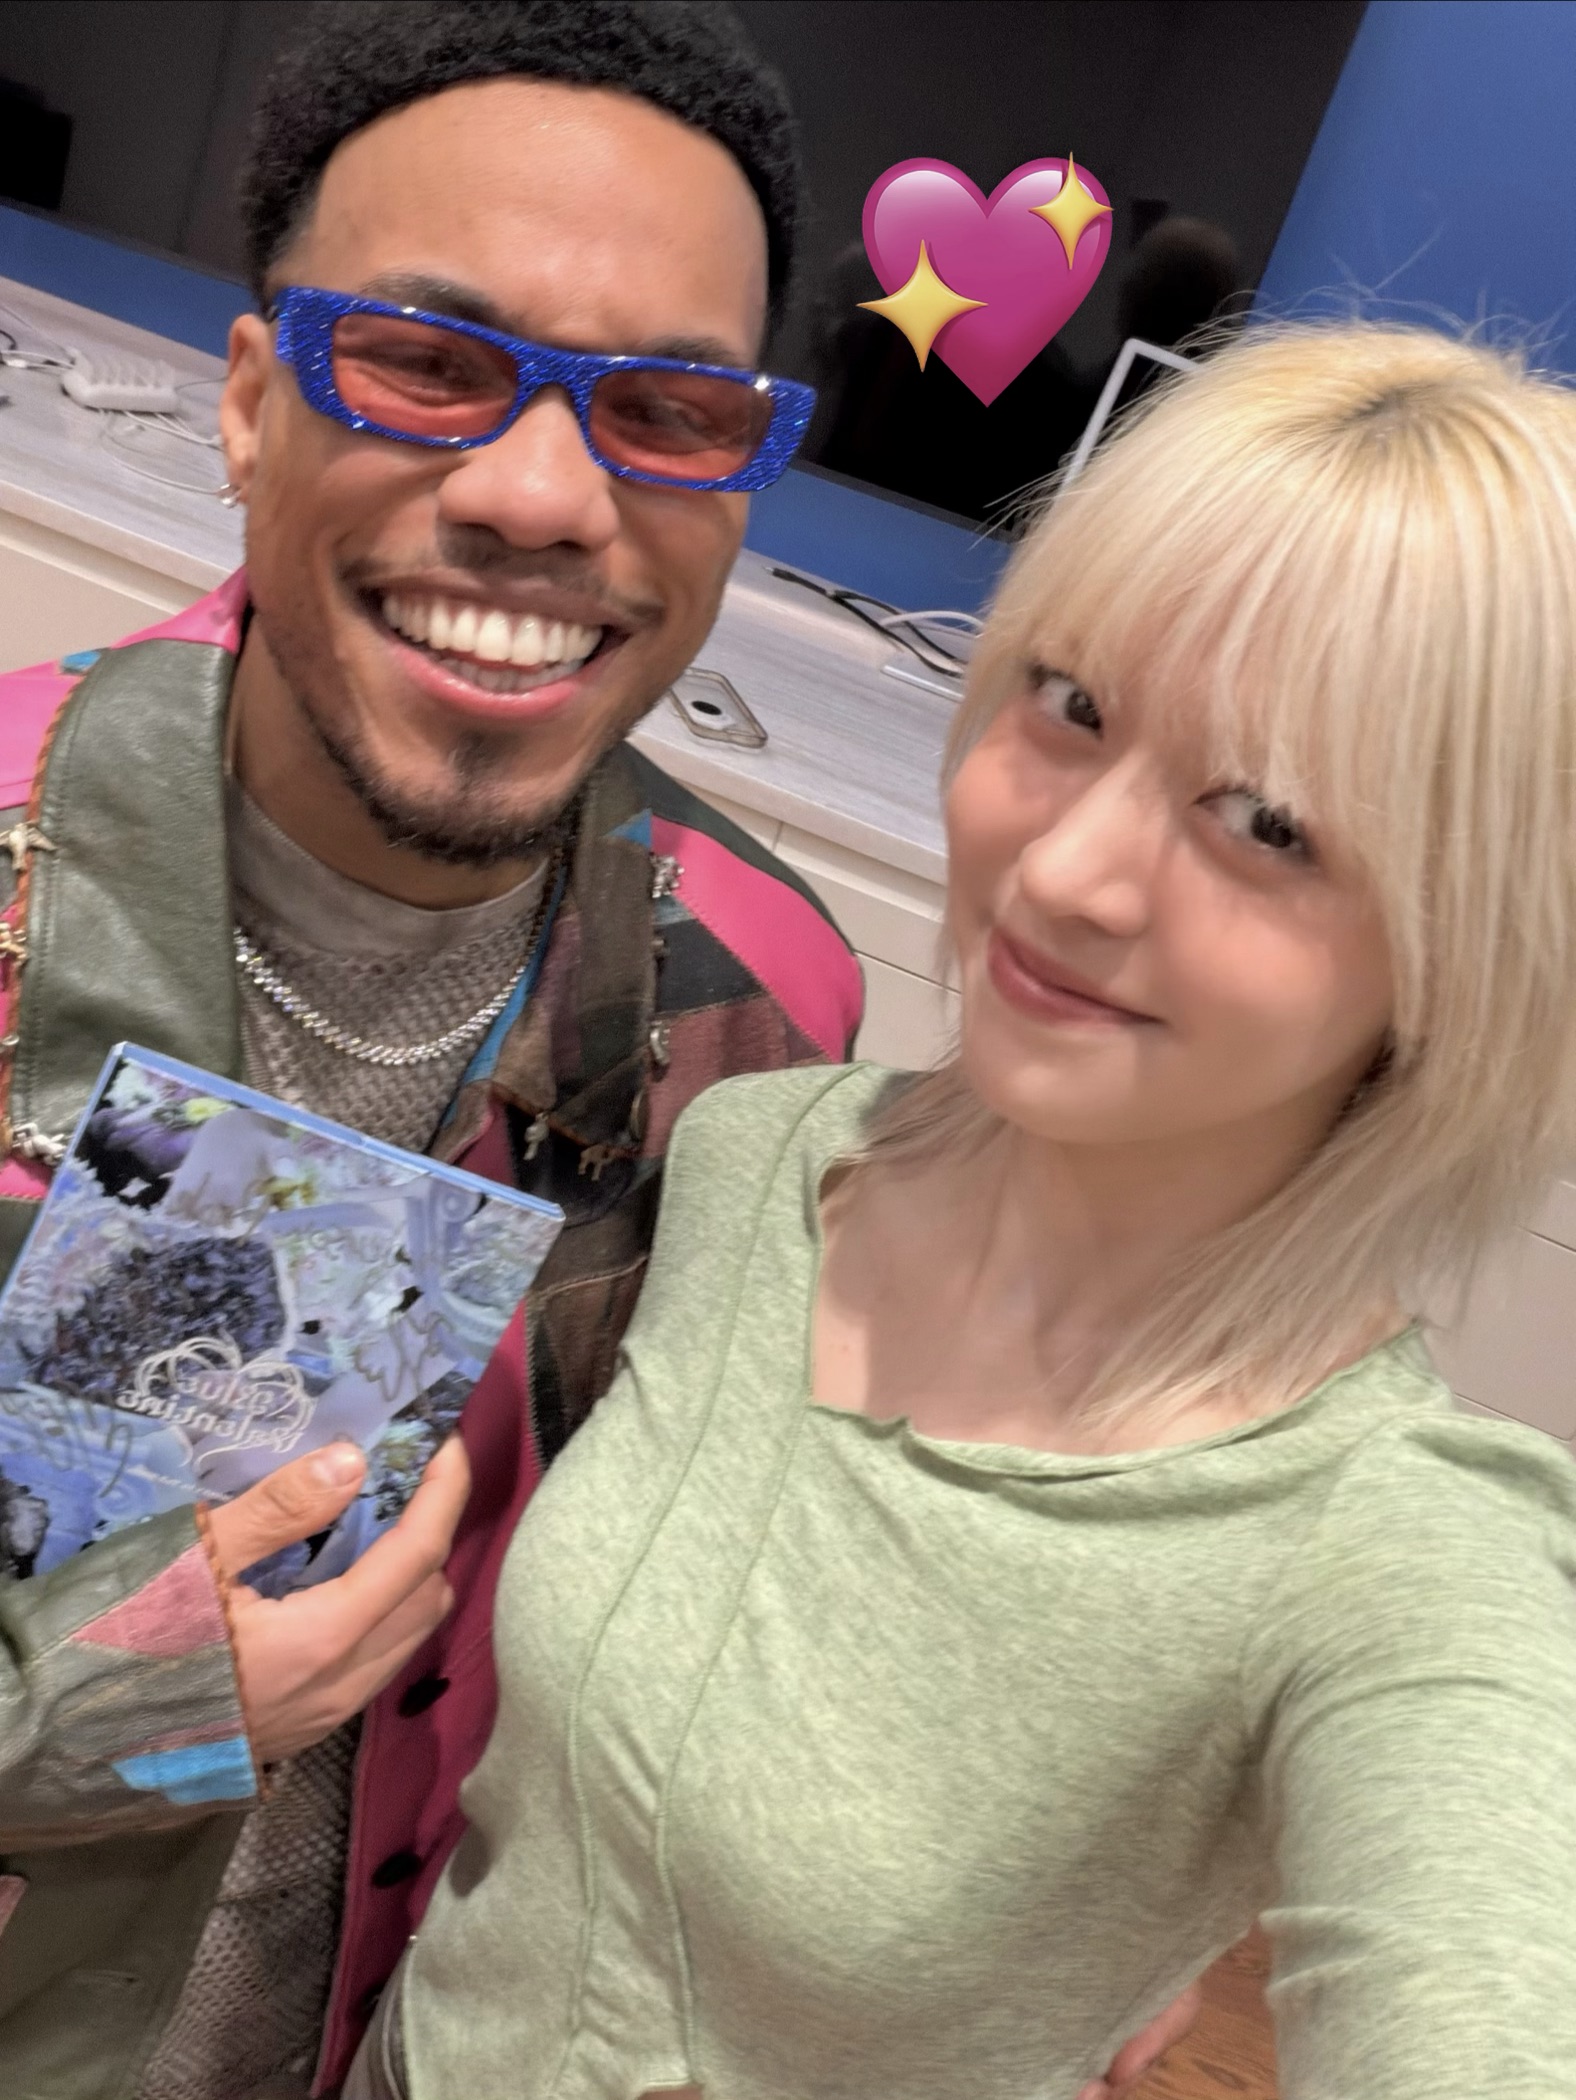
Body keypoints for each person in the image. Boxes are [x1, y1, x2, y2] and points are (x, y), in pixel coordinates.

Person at [367, 321, 1576, 2099]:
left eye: (1266, 822)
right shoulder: (756, 1157)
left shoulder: (1398, 1547)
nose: (1067, 874)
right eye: (1072, 706)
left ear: (1470, 951)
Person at [0, 6, 865, 2097]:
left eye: (665, 408)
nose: (544, 495)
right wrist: (93, 1729)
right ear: (247, 402)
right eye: (423, 361)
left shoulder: (752, 1008)